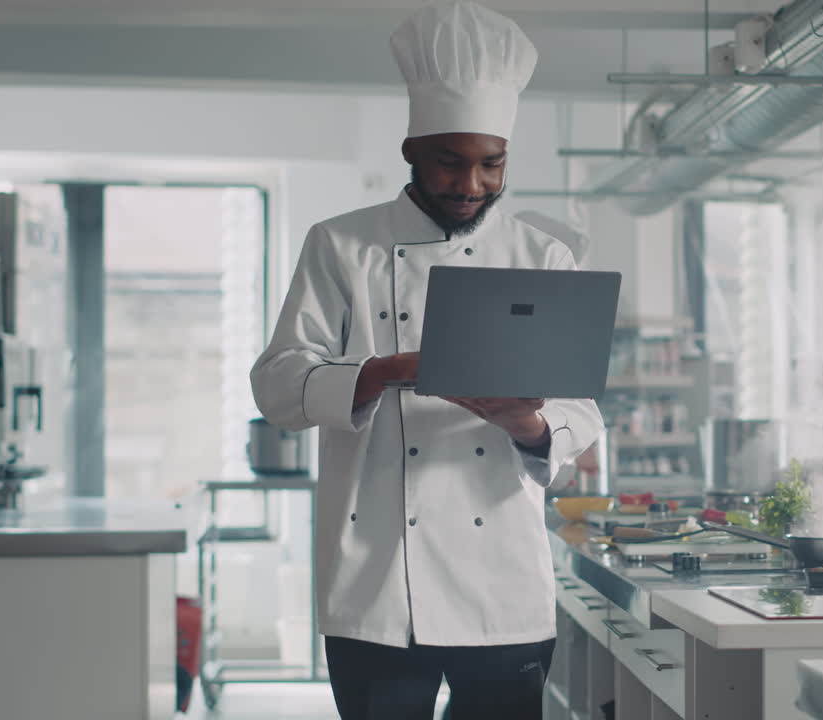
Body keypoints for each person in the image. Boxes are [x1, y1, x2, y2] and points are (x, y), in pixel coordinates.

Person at [248, 2, 603, 718]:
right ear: (411, 150)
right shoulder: (340, 244)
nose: (471, 185)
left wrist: (528, 423)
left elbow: (581, 410)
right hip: (376, 588)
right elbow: (277, 383)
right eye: (450, 161)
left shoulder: (545, 257)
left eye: (491, 164)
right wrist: (386, 370)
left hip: (501, 586)